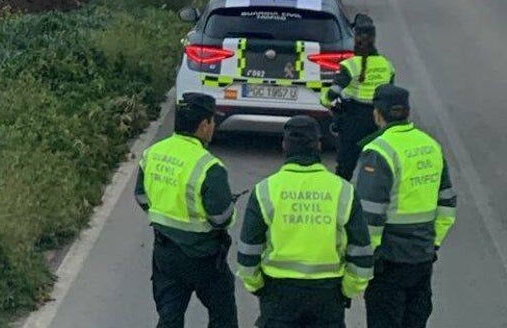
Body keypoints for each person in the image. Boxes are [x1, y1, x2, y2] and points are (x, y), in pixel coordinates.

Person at [236, 116, 373, 327]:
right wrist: (348, 290)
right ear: (318, 145)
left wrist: (258, 287)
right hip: (328, 295)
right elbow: (362, 252)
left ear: (284, 145)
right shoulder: (343, 190)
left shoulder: (265, 190)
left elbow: (247, 253)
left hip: (278, 294)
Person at [353, 85, 456, 328]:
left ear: (378, 113)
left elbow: (370, 214)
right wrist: (433, 242)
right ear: (407, 112)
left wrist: (365, 260)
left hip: (389, 260)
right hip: (422, 257)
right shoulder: (430, 145)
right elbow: (447, 203)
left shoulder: (380, 151)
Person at [135, 92, 239, 328]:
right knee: (223, 315)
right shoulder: (209, 166)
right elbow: (221, 218)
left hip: (165, 253)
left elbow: (141, 196)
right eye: (212, 121)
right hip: (203, 256)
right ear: (204, 125)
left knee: (170, 316)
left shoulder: (153, 153)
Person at [320, 14, 396, 179]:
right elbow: (391, 93)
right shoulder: (387, 65)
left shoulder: (350, 65)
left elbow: (333, 93)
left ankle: (344, 196)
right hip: (379, 120)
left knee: (345, 166)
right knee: (376, 163)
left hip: (353, 121)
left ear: (355, 39)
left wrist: (326, 102)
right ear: (374, 39)